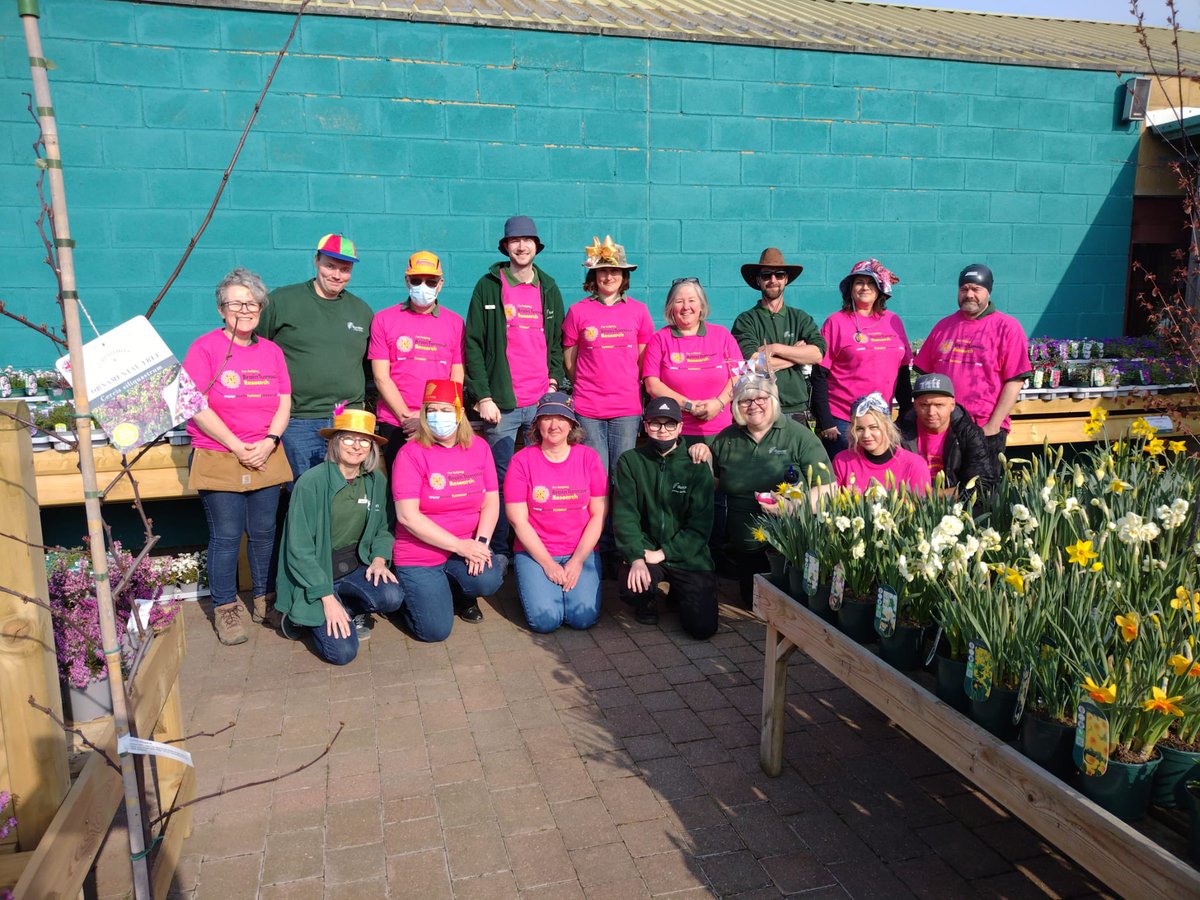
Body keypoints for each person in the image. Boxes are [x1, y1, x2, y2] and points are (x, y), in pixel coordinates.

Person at [183, 268, 292, 646]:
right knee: (227, 536)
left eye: (252, 303)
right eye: (236, 304)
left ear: (261, 307)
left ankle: (265, 601)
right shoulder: (204, 348)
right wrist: (235, 445)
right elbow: (194, 404)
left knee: (264, 533)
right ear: (221, 309)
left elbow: (284, 401)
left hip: (265, 453)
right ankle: (226, 609)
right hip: (219, 453)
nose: (245, 310)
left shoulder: (272, 351)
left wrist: (270, 440)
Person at [464, 216, 565, 561]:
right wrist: (483, 396)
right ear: (505, 246)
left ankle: (537, 547)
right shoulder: (488, 286)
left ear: (537, 246)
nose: (522, 246)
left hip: (540, 404)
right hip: (502, 404)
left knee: (541, 478)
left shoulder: (548, 287)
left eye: (527, 240)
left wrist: (553, 383)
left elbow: (556, 342)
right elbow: (473, 345)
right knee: (500, 480)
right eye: (515, 241)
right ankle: (499, 551)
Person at [274, 408, 402, 666]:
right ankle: (301, 615)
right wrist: (327, 597)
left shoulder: (376, 480)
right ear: (334, 442)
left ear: (371, 447)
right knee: (342, 653)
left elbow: (384, 527)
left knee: (392, 596)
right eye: (348, 438)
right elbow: (299, 549)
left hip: (353, 566)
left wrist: (379, 559)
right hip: (315, 574)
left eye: (364, 440)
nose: (356, 446)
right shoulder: (311, 482)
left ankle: (349, 607)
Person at [691, 375, 831, 606]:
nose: (753, 405)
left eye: (761, 398)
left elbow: (827, 490)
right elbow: (715, 482)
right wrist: (703, 454)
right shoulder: (727, 439)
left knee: (790, 604)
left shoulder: (799, 436)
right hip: (746, 546)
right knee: (753, 603)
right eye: (745, 400)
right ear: (736, 406)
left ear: (773, 400)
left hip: (791, 544)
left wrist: (793, 506)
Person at [393, 380, 504, 641]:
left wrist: (481, 543)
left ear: (460, 413)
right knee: (435, 631)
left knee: (487, 580)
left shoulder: (479, 447)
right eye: (431, 410)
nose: (438, 416)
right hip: (420, 553)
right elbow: (407, 516)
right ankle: (410, 597)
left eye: (445, 410)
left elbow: (490, 501)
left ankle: (457, 591)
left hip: (465, 544)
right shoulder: (410, 454)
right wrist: (460, 546)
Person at [257, 233, 373, 481]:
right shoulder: (282, 301)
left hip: (348, 419)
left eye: (345, 269)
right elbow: (257, 351)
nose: (337, 275)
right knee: (306, 490)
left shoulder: (361, 311)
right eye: (330, 266)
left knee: (346, 490)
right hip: (300, 419)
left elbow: (367, 367)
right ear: (316, 261)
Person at [613, 397, 718, 638]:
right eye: (655, 423)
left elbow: (700, 526)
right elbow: (625, 515)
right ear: (645, 426)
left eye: (670, 424)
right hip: (646, 549)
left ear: (680, 427)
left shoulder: (696, 464)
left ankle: (679, 593)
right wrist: (636, 557)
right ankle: (646, 602)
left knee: (702, 628)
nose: (663, 430)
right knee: (632, 587)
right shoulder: (630, 461)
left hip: (688, 556)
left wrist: (664, 553)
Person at [504, 392, 607, 634]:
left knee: (582, 618)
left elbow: (598, 515)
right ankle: (538, 586)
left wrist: (578, 560)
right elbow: (518, 521)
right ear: (537, 423)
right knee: (545, 621)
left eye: (561, 418)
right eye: (547, 418)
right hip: (536, 552)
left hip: (580, 549)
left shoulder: (589, 458)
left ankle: (559, 591)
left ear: (571, 424)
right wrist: (548, 564)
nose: (554, 425)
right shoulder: (521, 461)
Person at [913, 263, 1032, 456]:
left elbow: (1015, 381)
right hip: (943, 427)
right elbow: (925, 377)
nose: (969, 294)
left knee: (983, 477)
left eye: (976, 289)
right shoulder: (944, 326)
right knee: (943, 476)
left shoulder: (1007, 327)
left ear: (988, 292)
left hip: (984, 427)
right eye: (964, 289)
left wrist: (993, 426)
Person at [369, 251, 464, 474]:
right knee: (400, 486)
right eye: (416, 280)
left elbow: (457, 376)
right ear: (407, 281)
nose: (423, 286)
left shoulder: (455, 323)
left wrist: (429, 418)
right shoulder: (383, 319)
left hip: (440, 421)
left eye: (431, 281)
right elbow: (381, 377)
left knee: (438, 483)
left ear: (440, 284)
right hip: (396, 423)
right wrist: (406, 417)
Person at [563, 235, 653, 469]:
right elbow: (570, 359)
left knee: (622, 472)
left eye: (615, 271)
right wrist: (586, 383)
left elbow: (643, 359)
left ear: (624, 276)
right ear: (594, 275)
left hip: (626, 406)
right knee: (596, 471)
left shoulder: (639, 311)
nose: (609, 276)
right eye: (602, 271)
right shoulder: (577, 311)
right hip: (588, 407)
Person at [811, 258, 912, 459]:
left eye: (871, 283)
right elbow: (819, 374)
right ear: (850, 289)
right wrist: (826, 421)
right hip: (843, 421)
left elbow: (902, 372)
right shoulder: (836, 322)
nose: (865, 287)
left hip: (881, 420)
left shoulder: (893, 321)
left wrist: (906, 413)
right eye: (859, 282)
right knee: (845, 475)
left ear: (880, 288)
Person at [642, 277, 742, 443]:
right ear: (671, 307)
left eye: (692, 300)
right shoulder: (659, 339)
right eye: (679, 301)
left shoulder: (722, 335)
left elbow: (738, 377)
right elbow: (652, 385)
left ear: (701, 305)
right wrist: (688, 406)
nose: (686, 307)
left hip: (720, 432)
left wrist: (719, 403)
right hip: (673, 433)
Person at [731, 248, 825, 422]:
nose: (773, 280)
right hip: (758, 408)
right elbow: (753, 363)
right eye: (766, 275)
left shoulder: (800, 318)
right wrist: (796, 357)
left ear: (786, 279)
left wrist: (775, 348)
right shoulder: (746, 320)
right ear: (758, 280)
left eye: (779, 275)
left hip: (796, 409)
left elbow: (817, 354)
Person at [899, 373, 996, 495]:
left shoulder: (968, 434)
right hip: (910, 501)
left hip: (956, 503)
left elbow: (983, 484)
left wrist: (934, 494)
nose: (931, 412)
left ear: (952, 405)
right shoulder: (899, 433)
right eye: (924, 405)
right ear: (915, 405)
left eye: (939, 405)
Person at [833, 393, 932, 494]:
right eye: (859, 429)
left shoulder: (914, 465)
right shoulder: (842, 461)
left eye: (873, 427)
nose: (866, 435)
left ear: (887, 427)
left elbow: (922, 502)